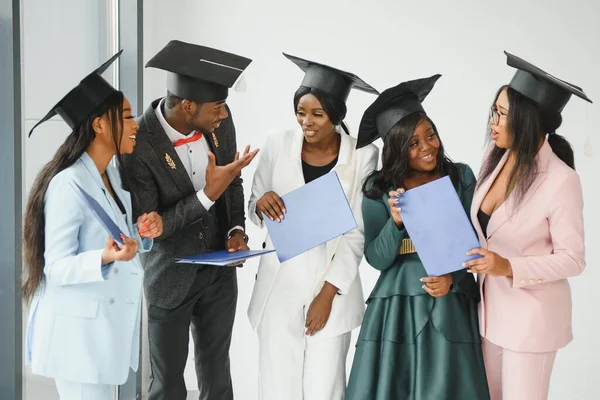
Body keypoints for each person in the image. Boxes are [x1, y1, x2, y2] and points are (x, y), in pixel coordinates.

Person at [121, 40, 258, 400]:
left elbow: (232, 180)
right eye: (218, 107)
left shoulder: (219, 125)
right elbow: (154, 224)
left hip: (219, 273)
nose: (224, 115)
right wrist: (206, 195)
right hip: (170, 275)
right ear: (187, 105)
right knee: (166, 385)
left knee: (218, 379)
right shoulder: (138, 143)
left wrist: (236, 230)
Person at [22, 51, 162, 400]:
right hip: (78, 342)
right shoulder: (68, 184)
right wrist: (104, 257)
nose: (136, 125)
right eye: (127, 117)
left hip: (102, 336)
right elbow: (54, 268)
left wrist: (144, 235)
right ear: (100, 124)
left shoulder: (111, 175)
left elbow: (120, 240)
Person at [346, 75, 490, 400]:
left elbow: (478, 242)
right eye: (413, 143)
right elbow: (376, 258)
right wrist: (395, 222)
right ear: (397, 148)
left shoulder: (460, 177)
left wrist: (453, 281)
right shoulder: (378, 188)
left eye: (431, 135)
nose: (427, 147)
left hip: (449, 301)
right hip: (397, 305)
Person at [246, 53, 379, 400]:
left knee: (325, 388)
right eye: (301, 112)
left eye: (317, 114)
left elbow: (357, 233)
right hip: (280, 284)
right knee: (277, 387)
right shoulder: (278, 143)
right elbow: (254, 205)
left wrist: (327, 293)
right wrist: (260, 204)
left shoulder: (363, 155)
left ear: (335, 115)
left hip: (330, 287)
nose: (307, 121)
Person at [463, 51, 590, 400]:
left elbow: (573, 258)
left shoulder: (562, 180)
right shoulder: (495, 156)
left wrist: (508, 266)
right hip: (489, 316)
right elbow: (485, 228)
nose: (493, 121)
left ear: (527, 119)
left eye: (502, 114)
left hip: (531, 321)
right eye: (494, 110)